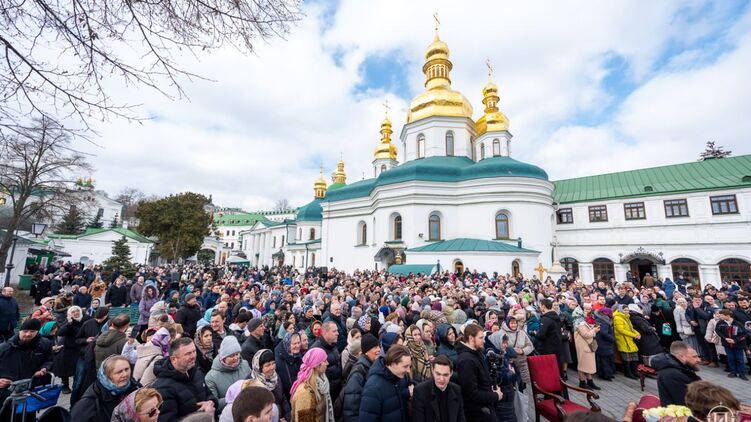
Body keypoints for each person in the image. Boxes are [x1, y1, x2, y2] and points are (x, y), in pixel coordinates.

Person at [151, 337, 217, 421]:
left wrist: (211, 402)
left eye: (194, 351)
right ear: (174, 359)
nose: (193, 356)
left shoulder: (196, 372)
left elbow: (209, 395)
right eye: (188, 353)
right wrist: (202, 416)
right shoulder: (163, 388)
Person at [0, 318, 54, 420]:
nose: (28, 334)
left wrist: (44, 368)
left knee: (28, 417)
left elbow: (49, 359)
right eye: (25, 331)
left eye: (32, 331)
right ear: (19, 331)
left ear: (37, 332)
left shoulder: (44, 344)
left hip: (29, 388)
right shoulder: (4, 348)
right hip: (7, 390)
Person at [70, 355, 139, 422]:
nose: (125, 374)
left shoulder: (136, 387)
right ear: (106, 375)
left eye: (127, 369)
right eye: (119, 372)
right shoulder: (88, 404)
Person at [455, 323, 502, 422]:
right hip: (478, 413)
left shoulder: (477, 352)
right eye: (481, 338)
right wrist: (495, 396)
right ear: (471, 338)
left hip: (485, 408)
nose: (484, 341)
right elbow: (471, 394)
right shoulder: (466, 361)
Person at [358, 344, 412, 422]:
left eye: (409, 366)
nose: (408, 371)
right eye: (405, 366)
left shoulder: (401, 376)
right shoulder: (373, 388)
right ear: (393, 363)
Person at [412, 355, 466, 422]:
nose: (441, 379)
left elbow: (461, 418)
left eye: (445, 375)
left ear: (451, 373)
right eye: (438, 374)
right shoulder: (420, 391)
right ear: (432, 370)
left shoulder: (456, 390)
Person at [205, 335, 251, 412]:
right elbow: (214, 404)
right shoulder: (211, 377)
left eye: (237, 354)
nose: (236, 358)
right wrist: (233, 397)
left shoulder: (245, 365)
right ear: (223, 357)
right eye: (231, 356)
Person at [341, 333, 380, 422]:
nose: (379, 350)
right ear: (366, 351)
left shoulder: (373, 365)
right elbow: (351, 408)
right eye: (375, 347)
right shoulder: (358, 372)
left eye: (378, 346)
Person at [651, 341, 701, 406]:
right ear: (681, 356)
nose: (699, 360)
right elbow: (685, 402)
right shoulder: (671, 375)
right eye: (694, 357)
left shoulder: (682, 369)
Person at [290, 347, 332, 422]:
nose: (327, 363)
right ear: (317, 365)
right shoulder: (304, 393)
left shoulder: (321, 383)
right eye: (324, 361)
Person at [311, 320, 343, 399]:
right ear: (325, 333)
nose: (337, 333)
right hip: (325, 395)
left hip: (337, 392)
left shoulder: (333, 345)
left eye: (337, 331)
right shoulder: (316, 350)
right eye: (334, 331)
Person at [55, 305, 83, 394]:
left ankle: (76, 386)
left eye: (77, 311)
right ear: (69, 314)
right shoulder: (67, 322)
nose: (75, 313)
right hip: (66, 347)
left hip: (79, 347)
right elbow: (60, 333)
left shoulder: (85, 320)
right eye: (73, 312)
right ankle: (65, 385)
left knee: (77, 369)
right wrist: (69, 323)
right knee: (65, 368)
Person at [714, 309, 748, 380]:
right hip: (727, 344)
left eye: (722, 315)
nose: (720, 317)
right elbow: (717, 331)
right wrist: (725, 338)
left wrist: (735, 340)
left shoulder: (737, 323)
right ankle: (733, 372)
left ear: (728, 316)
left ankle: (742, 373)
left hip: (738, 345)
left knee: (739, 359)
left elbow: (744, 334)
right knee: (730, 358)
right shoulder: (720, 323)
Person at [573, 305, 600, 390]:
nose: (587, 312)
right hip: (584, 346)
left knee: (587, 365)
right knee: (582, 365)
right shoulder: (579, 322)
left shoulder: (581, 321)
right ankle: (582, 382)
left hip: (586, 346)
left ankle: (590, 381)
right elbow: (586, 334)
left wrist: (592, 328)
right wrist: (594, 330)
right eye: (584, 310)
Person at [503, 315, 533, 384]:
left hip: (522, 363)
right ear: (508, 323)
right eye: (512, 323)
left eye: (515, 323)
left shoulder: (521, 332)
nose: (514, 325)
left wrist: (523, 351)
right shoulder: (503, 333)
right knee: (513, 383)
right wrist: (512, 350)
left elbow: (530, 346)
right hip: (510, 363)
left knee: (523, 384)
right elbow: (502, 347)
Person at [536, 298, 564, 372]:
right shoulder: (556, 317)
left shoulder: (545, 319)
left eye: (540, 306)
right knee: (557, 368)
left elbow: (541, 335)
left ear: (543, 306)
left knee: (549, 370)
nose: (539, 307)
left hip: (548, 348)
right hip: (557, 346)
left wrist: (536, 333)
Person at [613, 305, 640, 379]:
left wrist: (637, 333)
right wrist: (633, 335)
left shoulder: (626, 317)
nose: (627, 311)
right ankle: (628, 373)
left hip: (629, 339)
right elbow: (621, 330)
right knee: (626, 357)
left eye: (627, 310)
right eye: (625, 310)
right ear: (621, 310)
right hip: (623, 340)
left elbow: (631, 328)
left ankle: (634, 372)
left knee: (634, 356)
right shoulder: (617, 318)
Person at [276, 331, 303, 402]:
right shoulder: (279, 360)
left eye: (298, 342)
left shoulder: (298, 355)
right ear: (287, 344)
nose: (297, 346)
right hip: (289, 398)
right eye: (294, 343)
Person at [593, 307, 616, 381]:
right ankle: (606, 375)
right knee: (605, 360)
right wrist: (612, 339)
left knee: (603, 359)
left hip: (602, 342)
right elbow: (604, 333)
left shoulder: (601, 319)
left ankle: (605, 374)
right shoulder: (603, 320)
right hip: (604, 342)